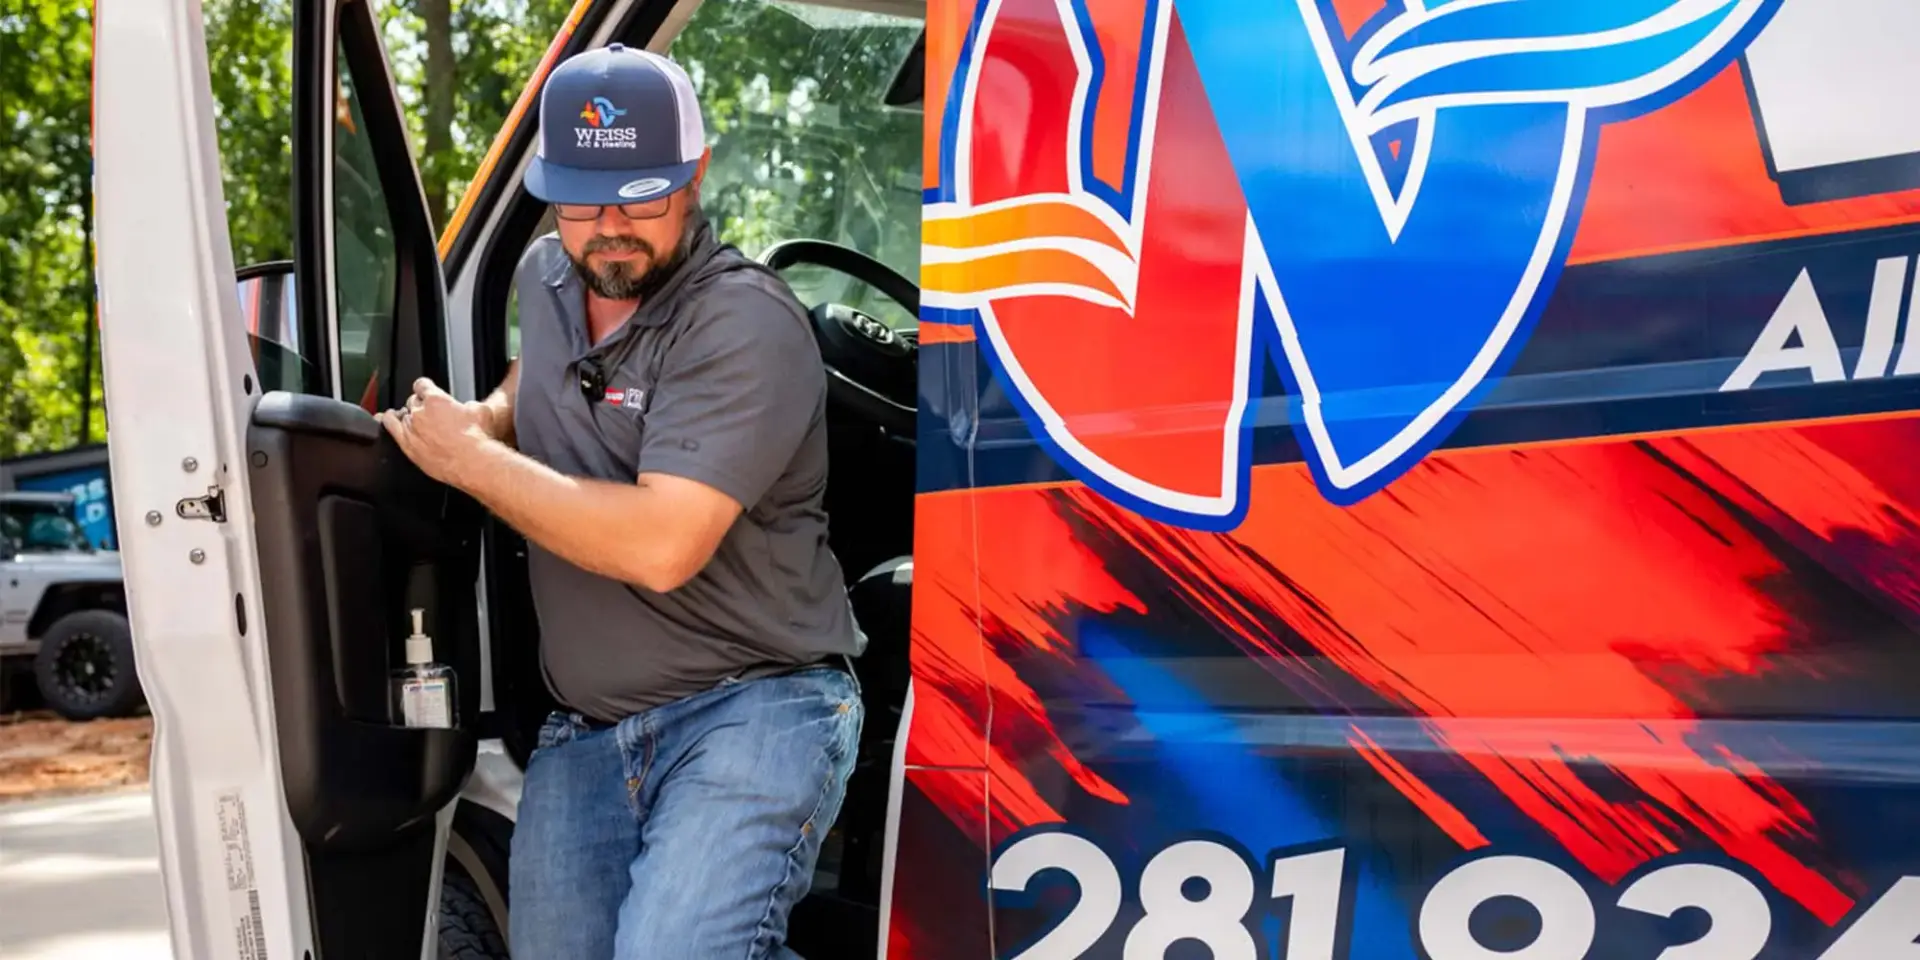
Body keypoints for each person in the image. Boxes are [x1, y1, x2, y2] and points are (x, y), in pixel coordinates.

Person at [374, 42, 865, 959]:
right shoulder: (547, 278)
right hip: (586, 733)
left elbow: (660, 545)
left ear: (696, 173)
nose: (609, 227)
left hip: (755, 709)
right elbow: (536, 389)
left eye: (641, 194)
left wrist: (468, 465)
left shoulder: (743, 320)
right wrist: (475, 422)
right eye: (582, 198)